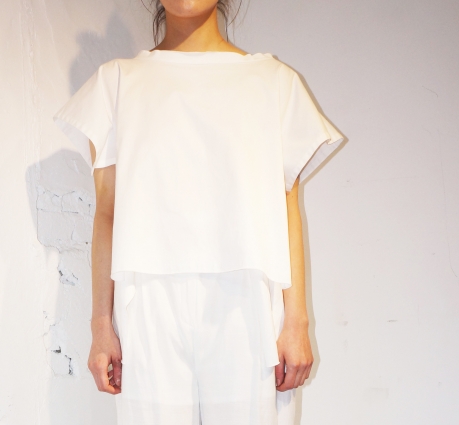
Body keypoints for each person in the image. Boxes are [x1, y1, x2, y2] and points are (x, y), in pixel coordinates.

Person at [53, 1, 344, 423]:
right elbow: (107, 214)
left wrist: (296, 322)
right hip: (147, 303)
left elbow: (287, 206)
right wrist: (100, 325)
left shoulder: (273, 82)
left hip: (247, 302)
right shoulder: (116, 82)